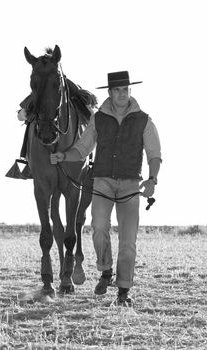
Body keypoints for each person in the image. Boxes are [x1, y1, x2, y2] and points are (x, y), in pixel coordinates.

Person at [50, 71, 162, 306]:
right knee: (99, 226)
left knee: (128, 240)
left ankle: (123, 292)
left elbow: (154, 154)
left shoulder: (144, 120)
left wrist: (152, 180)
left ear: (130, 92)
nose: (122, 94)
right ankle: (106, 270)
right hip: (102, 182)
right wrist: (63, 155)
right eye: (117, 90)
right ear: (109, 93)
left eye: (125, 90)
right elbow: (82, 149)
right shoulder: (98, 118)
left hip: (131, 184)